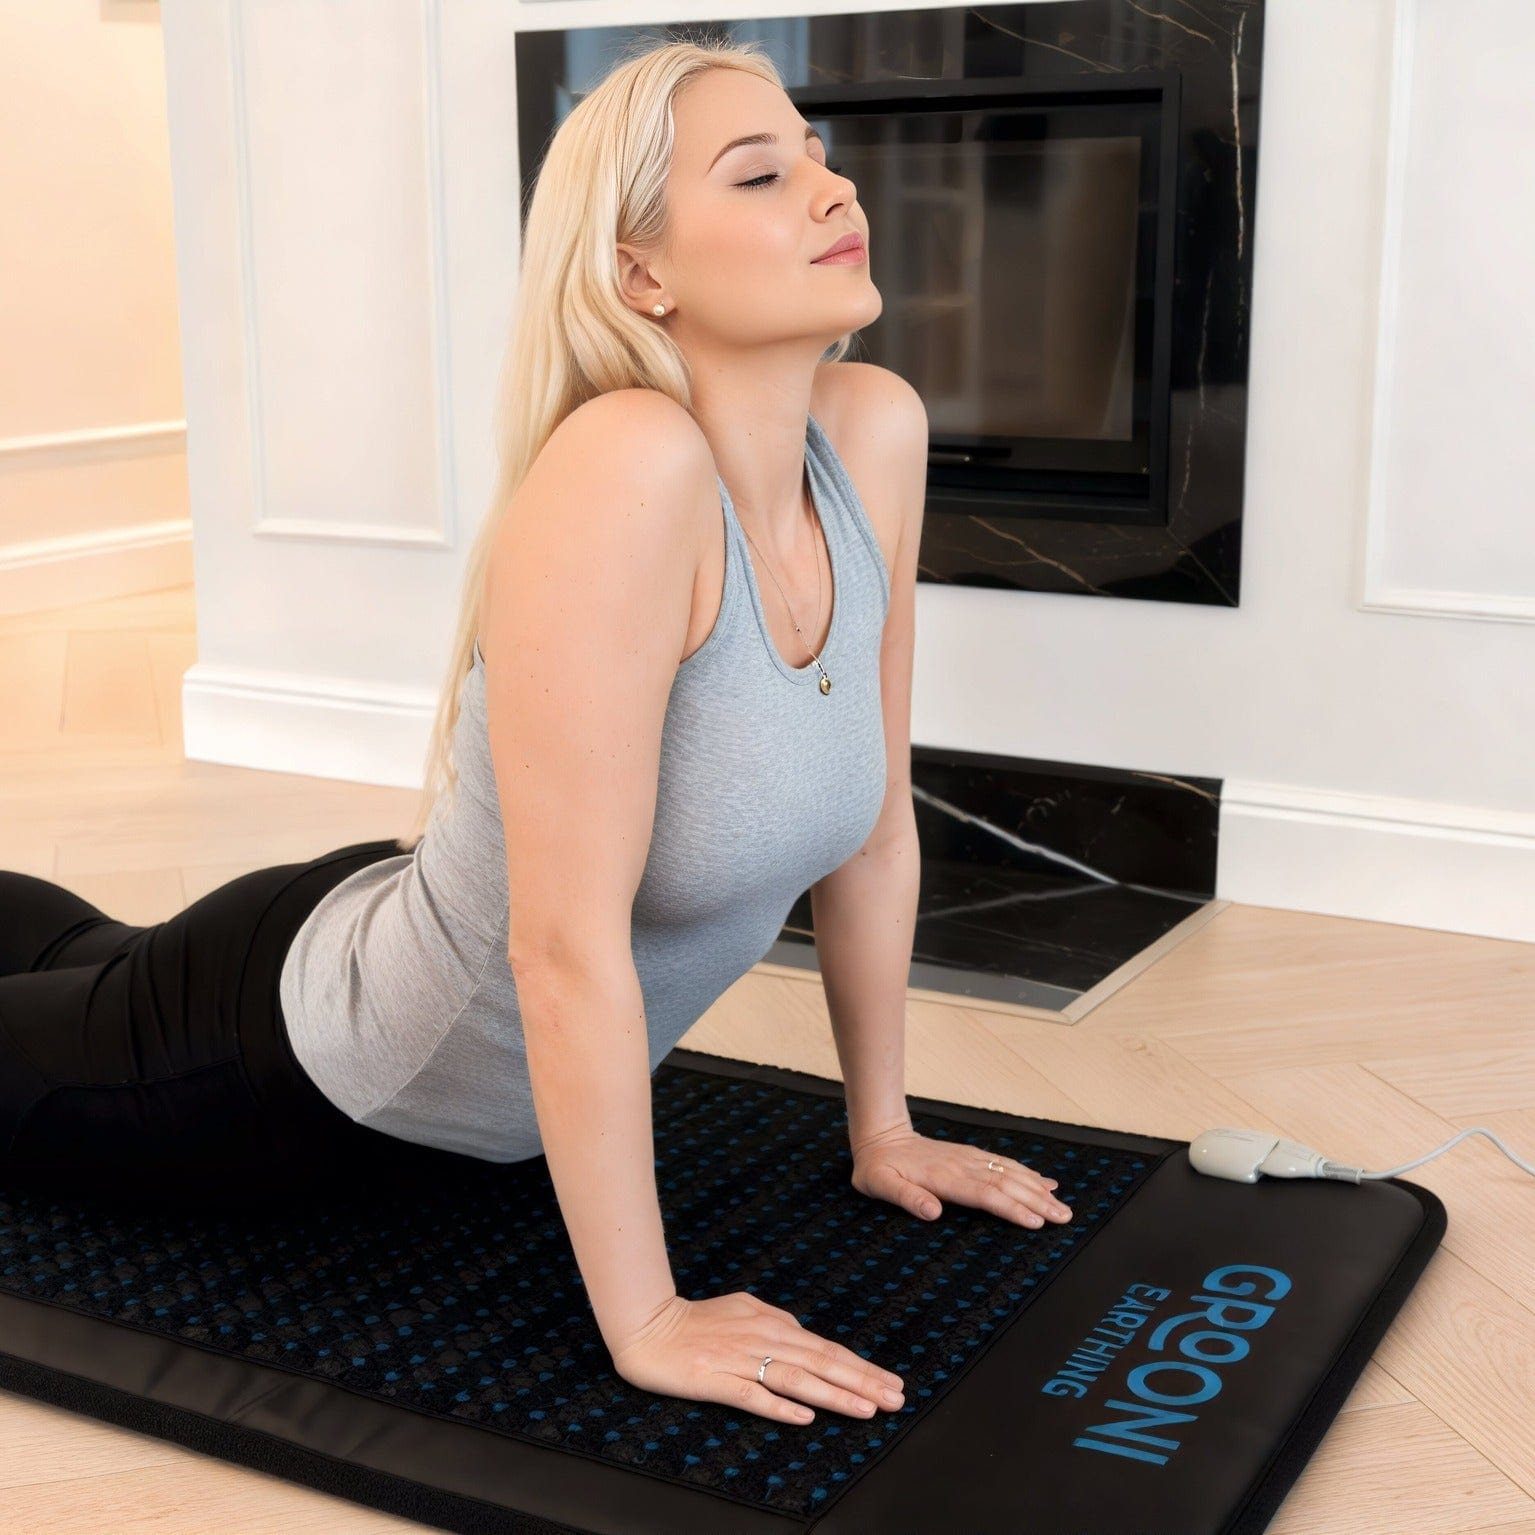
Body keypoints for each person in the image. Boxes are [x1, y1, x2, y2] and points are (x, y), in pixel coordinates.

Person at [1, 35, 1064, 1432]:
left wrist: (882, 1129)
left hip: (371, 912)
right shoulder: (630, 463)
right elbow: (559, 951)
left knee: (73, 949)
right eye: (762, 172)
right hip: (286, 1063)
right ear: (641, 275)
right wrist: (648, 1320)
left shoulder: (871, 433)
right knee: (72, 1000)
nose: (830, 185)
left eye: (815, 151)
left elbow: (872, 828)